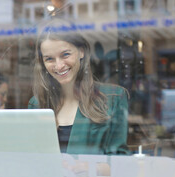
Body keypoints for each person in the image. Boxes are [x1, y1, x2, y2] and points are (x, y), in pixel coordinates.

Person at [28, 24, 129, 155]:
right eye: (49, 59)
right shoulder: (37, 104)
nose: (59, 66)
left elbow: (121, 161)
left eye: (65, 55)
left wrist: (85, 167)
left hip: (92, 176)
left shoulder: (113, 98)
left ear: (81, 52)